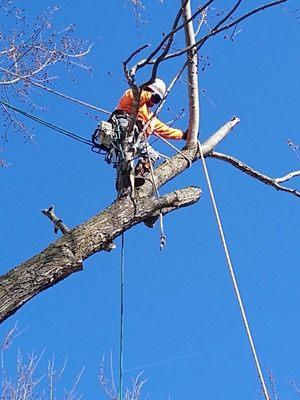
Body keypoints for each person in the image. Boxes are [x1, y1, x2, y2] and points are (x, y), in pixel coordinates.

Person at [112, 78, 187, 183]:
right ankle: (122, 178)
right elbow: (132, 96)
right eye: (155, 99)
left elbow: (164, 130)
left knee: (152, 155)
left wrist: (182, 135)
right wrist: (149, 95)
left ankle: (137, 176)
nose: (154, 103)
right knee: (123, 156)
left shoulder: (150, 117)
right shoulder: (135, 95)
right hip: (124, 125)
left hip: (138, 137)